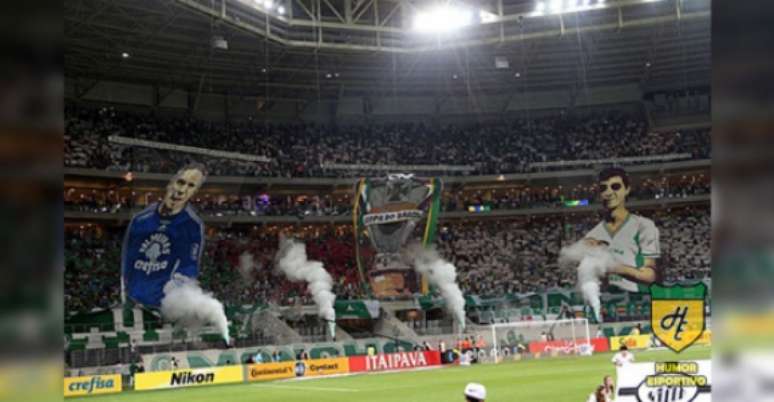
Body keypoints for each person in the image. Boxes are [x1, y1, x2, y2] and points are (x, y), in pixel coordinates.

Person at [121, 163, 207, 308]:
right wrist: (125, 292)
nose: (182, 190)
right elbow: (128, 260)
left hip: (160, 304)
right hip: (132, 300)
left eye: (191, 186)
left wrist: (176, 287)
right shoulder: (141, 220)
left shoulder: (191, 226)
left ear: (194, 192)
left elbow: (189, 266)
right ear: (171, 183)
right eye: (181, 182)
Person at [584, 167, 661, 292]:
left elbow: (651, 276)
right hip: (610, 302)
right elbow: (599, 285)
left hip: (641, 298)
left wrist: (616, 268)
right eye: (603, 188)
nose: (608, 192)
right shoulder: (593, 234)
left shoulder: (644, 226)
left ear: (627, 190)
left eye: (615, 187)